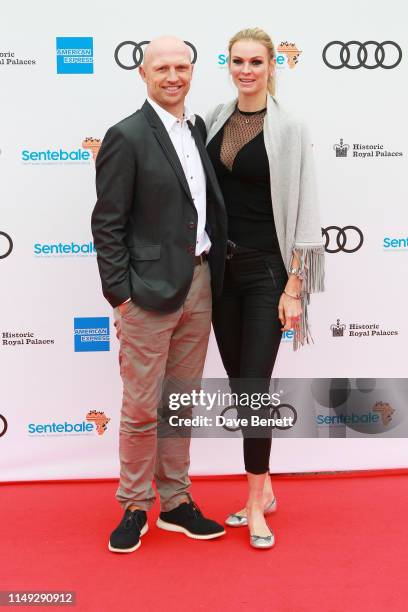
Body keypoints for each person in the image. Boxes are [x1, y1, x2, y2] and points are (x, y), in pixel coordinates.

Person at [91, 35, 228, 553]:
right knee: (142, 406)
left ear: (192, 71)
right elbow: (107, 223)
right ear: (143, 74)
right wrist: (120, 296)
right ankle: (133, 504)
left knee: (180, 403)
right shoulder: (125, 136)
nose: (173, 76)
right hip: (146, 294)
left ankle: (175, 502)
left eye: (182, 67)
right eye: (162, 68)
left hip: (199, 283)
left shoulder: (195, 128)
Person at [206, 28, 325, 549]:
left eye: (256, 61)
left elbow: (304, 203)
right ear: (228, 64)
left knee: (253, 388)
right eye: (238, 61)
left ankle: (255, 504)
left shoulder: (291, 128)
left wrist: (294, 283)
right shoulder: (212, 119)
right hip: (218, 274)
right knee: (240, 384)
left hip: (267, 276)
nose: (246, 70)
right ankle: (268, 489)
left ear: (272, 65)